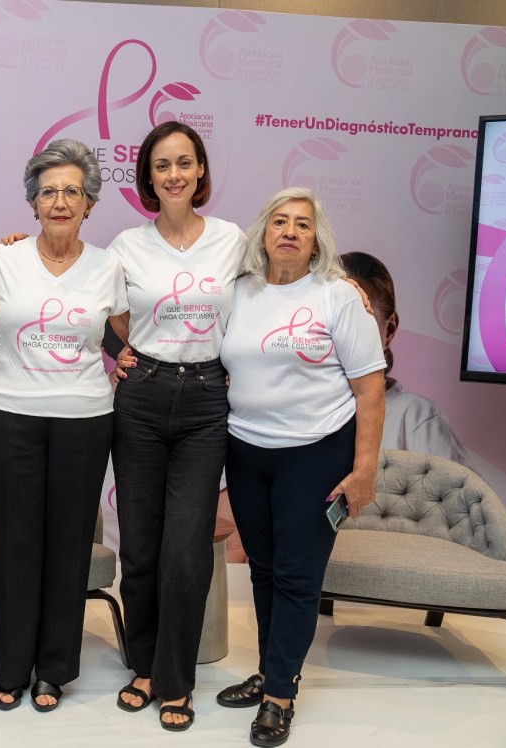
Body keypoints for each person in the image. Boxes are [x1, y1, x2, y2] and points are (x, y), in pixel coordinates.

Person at [218, 188, 385, 747]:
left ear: (317, 241)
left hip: (316, 454)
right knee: (263, 571)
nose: (290, 231)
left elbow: (369, 389)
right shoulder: (238, 291)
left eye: (303, 225)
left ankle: (280, 697)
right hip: (246, 451)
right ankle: (270, 671)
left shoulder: (339, 296)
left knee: (296, 576)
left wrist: (364, 470)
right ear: (262, 234)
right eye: (280, 222)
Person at [0, 138, 126, 714]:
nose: (60, 202)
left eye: (72, 192)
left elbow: (132, 337)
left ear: (89, 203)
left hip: (85, 420)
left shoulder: (108, 266)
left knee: (69, 546)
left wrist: (126, 367)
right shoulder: (6, 260)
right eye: (48, 192)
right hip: (11, 414)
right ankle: (12, 667)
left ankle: (54, 670)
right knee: (13, 545)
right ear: (33, 203)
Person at [109, 121, 245, 730]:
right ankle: (143, 665)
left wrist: (340, 281)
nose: (174, 174)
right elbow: (100, 309)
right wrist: (122, 352)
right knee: (140, 545)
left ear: (201, 170)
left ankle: (175, 678)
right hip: (141, 399)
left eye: (184, 162)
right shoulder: (125, 246)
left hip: (206, 402)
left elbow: (282, 279)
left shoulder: (231, 240)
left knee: (187, 549)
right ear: (147, 176)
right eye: (161, 165)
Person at [340, 251, 474, 468]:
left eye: (359, 323)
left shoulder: (414, 417)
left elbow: (463, 490)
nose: (340, 338)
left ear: (389, 330)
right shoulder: (296, 414)